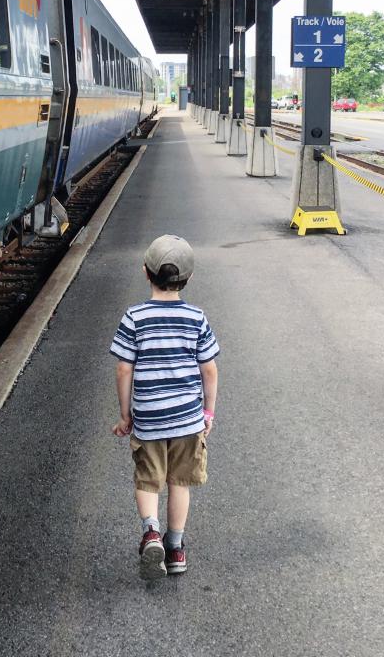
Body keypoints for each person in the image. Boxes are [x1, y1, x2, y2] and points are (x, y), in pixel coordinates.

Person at [110, 234, 219, 579]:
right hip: (188, 420)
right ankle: (175, 550)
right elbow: (209, 369)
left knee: (147, 479)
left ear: (146, 273)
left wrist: (126, 414)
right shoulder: (196, 318)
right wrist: (208, 413)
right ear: (188, 278)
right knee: (178, 482)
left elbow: (124, 368)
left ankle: (151, 531)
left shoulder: (134, 317)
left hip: (150, 419)